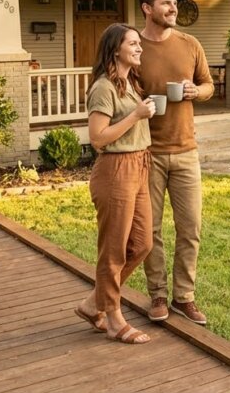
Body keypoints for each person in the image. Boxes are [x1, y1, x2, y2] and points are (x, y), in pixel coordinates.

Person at [137, 0, 214, 325]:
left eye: (174, 4)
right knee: (150, 230)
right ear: (147, 9)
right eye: (165, 4)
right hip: (148, 153)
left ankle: (184, 296)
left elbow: (209, 85)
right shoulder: (133, 46)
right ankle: (157, 295)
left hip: (186, 151)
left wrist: (196, 91)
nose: (173, 9)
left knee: (190, 226)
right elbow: (118, 87)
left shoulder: (190, 44)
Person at [73, 23, 156, 345]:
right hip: (115, 170)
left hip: (139, 166)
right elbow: (97, 138)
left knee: (142, 243)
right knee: (114, 250)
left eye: (139, 43)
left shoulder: (129, 83)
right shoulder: (104, 87)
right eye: (133, 44)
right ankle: (112, 317)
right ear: (115, 49)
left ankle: (94, 303)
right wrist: (135, 116)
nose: (139, 48)